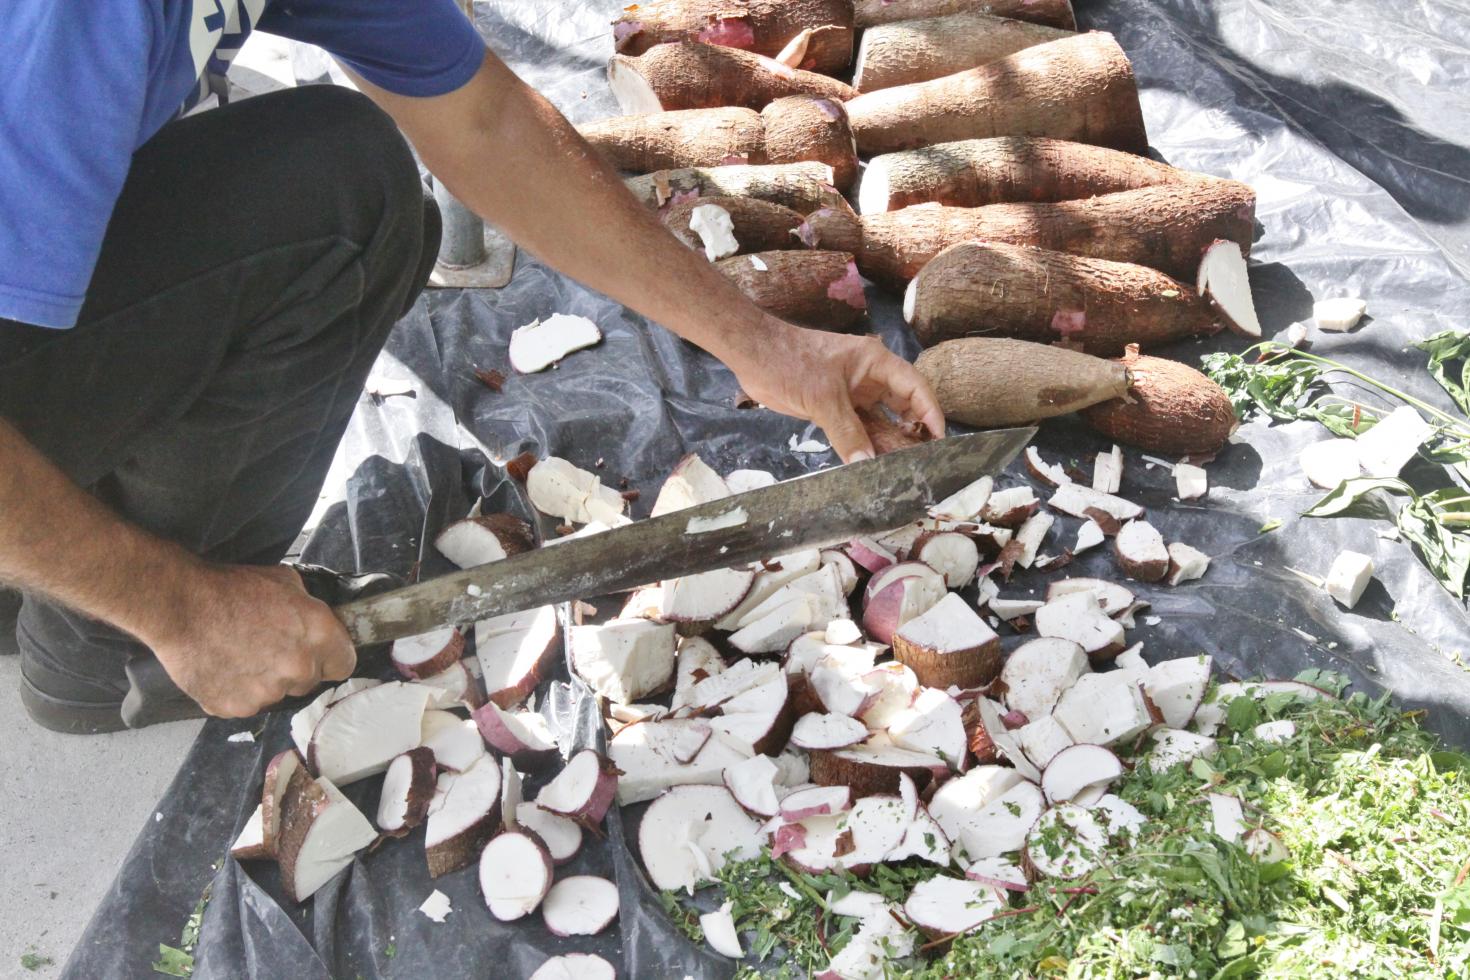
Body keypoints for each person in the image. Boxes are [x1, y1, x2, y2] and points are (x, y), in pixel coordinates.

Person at [0, 2, 944, 734]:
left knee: (346, 190)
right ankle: (99, 650)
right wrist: (181, 608)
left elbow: (484, 122)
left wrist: (763, 344)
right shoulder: (78, 23)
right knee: (340, 205)